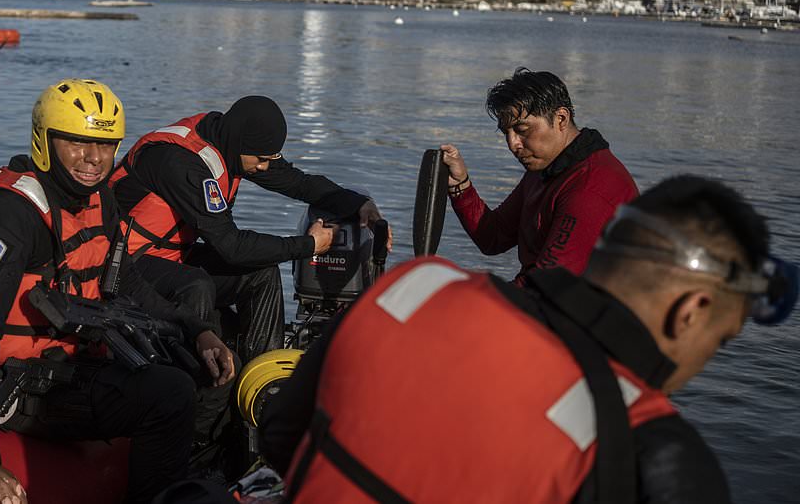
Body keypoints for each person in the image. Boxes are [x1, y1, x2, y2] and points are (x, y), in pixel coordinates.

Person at [260, 175, 797, 503]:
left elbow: (282, 437)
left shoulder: (416, 285)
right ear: (692, 312)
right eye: (719, 341)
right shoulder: (659, 456)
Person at [0, 79, 237, 504]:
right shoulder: (8, 215)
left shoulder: (99, 197)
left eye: (105, 145)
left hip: (73, 359)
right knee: (169, 394)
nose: (94, 159)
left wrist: (196, 329)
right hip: (17, 384)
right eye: (77, 143)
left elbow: (127, 282)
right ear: (44, 141)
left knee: (190, 362)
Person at [110, 96, 389, 362]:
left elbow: (299, 183)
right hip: (125, 265)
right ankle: (201, 389)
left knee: (262, 273)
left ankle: (263, 377)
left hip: (171, 257)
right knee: (196, 283)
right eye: (261, 159)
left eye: (269, 159)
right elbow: (231, 247)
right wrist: (309, 246)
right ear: (238, 142)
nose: (265, 167)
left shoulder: (233, 144)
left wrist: (359, 204)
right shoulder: (181, 164)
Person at [442, 67, 637, 286]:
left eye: (522, 130)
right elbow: (493, 237)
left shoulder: (591, 188)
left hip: (583, 313)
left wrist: (467, 300)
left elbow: (546, 287)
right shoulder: (546, 169)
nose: (512, 144)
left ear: (561, 118)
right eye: (506, 133)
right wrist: (460, 185)